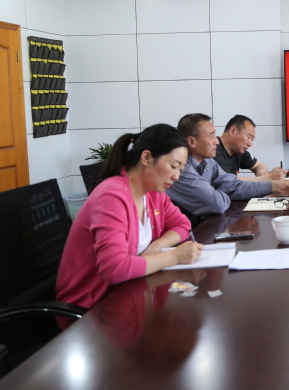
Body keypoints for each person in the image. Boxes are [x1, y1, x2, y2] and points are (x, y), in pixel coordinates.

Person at [56, 124, 205, 310]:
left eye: (181, 169)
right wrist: (174, 256)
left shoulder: (153, 192)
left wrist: (158, 245)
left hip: (130, 293)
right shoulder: (112, 196)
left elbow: (182, 224)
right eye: (174, 166)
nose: (176, 176)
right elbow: (114, 269)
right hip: (92, 307)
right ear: (147, 158)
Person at [166, 113, 289, 218]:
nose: (217, 142)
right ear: (192, 142)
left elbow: (233, 185)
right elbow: (217, 203)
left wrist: (273, 186)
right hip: (188, 235)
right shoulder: (181, 170)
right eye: (211, 136)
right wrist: (219, 191)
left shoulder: (208, 162)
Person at [215, 114, 285, 180]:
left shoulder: (237, 151)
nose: (250, 144)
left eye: (252, 139)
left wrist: (261, 173)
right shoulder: (213, 150)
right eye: (248, 137)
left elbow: (260, 165)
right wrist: (268, 178)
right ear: (233, 130)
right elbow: (228, 182)